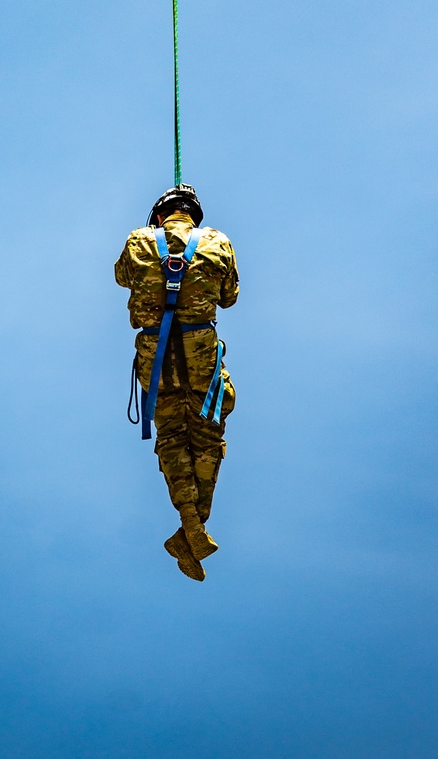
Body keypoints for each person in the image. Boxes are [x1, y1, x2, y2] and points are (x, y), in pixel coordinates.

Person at [115, 184, 239, 581]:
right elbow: (230, 296)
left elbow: (122, 277)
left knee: (172, 436)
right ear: (194, 215)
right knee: (206, 438)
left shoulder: (139, 239)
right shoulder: (218, 241)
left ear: (158, 216)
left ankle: (190, 527)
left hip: (157, 355)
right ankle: (191, 528)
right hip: (200, 349)